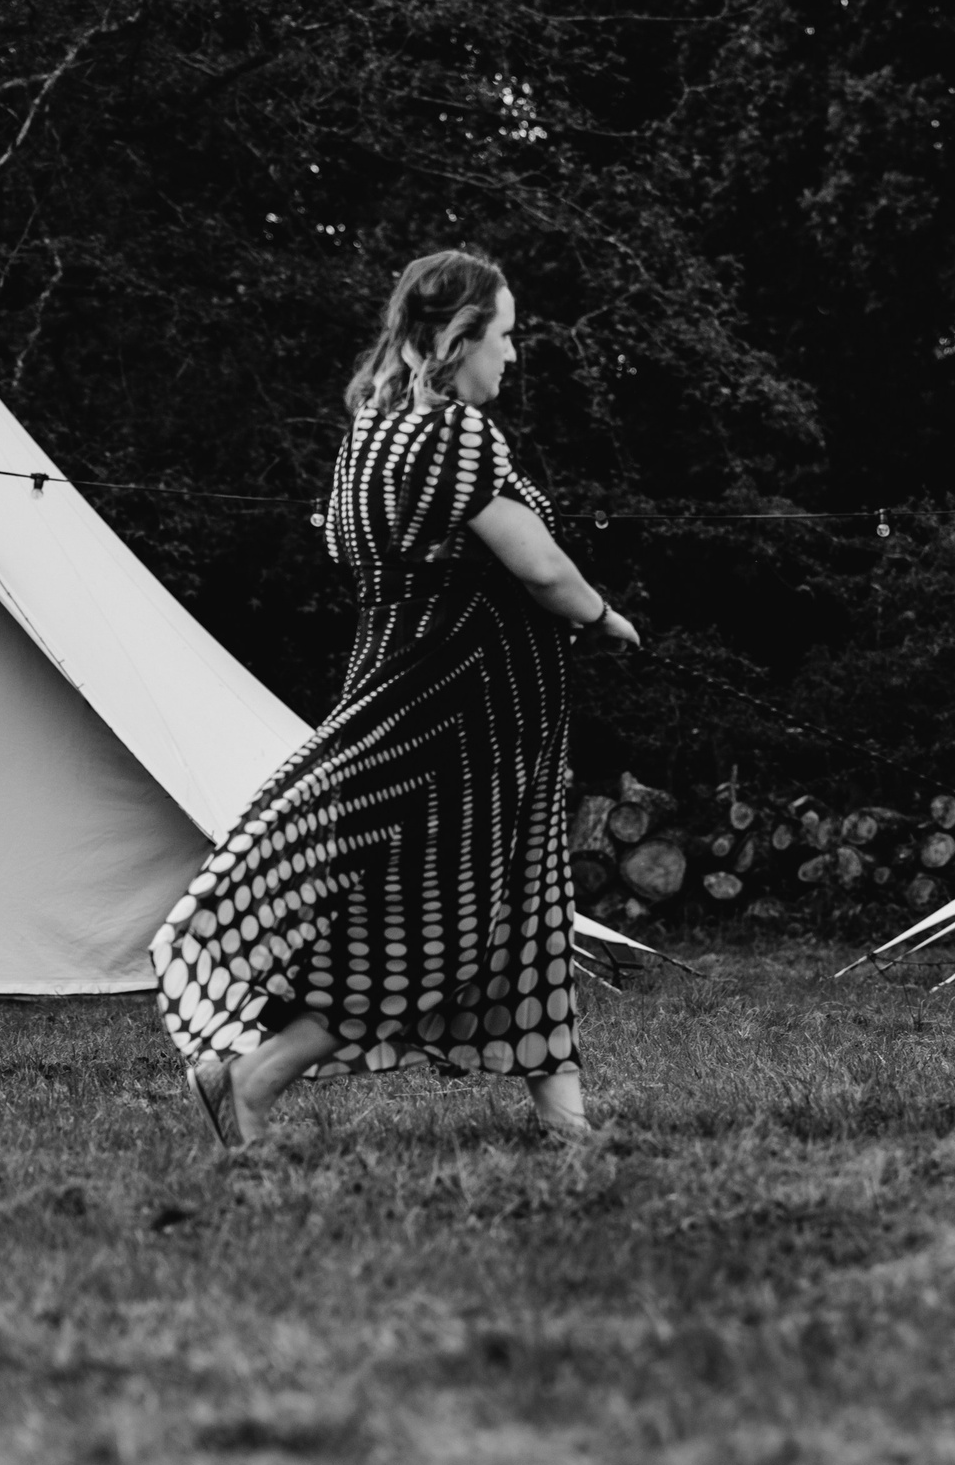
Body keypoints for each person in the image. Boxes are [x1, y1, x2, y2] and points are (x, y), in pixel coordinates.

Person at [152, 249, 638, 1148]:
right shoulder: (453, 434)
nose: (515, 356)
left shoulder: (369, 435)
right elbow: (542, 568)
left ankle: (571, 1128)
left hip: (440, 709)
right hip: (454, 727)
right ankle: (250, 1080)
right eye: (506, 336)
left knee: (521, 920)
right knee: (428, 938)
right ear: (458, 338)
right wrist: (604, 616)